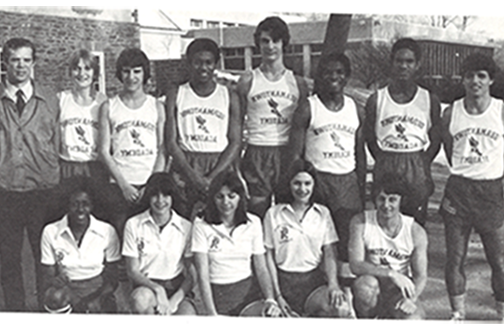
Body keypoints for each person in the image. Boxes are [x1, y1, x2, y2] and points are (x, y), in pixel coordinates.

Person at [288, 52, 365, 285]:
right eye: (328, 72)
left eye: (340, 72)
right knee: (315, 238)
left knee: (346, 241)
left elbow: (360, 154)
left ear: (347, 77)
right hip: (318, 181)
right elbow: (294, 155)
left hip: (347, 182)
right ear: (319, 76)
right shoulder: (308, 108)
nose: (334, 76)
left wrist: (360, 188)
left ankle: (346, 292)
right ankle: (317, 290)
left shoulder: (355, 109)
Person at [439, 53, 504, 320]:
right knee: (455, 258)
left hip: (491, 191)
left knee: (499, 260)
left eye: (481, 76)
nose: (475, 81)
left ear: (491, 80)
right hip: (460, 190)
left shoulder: (500, 109)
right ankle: (458, 314)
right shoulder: (451, 112)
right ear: (462, 79)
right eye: (469, 76)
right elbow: (449, 148)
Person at [0, 37, 60, 311]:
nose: (20, 66)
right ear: (5, 62)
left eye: (26, 60)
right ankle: (15, 312)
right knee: (8, 258)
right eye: (15, 59)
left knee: (44, 257)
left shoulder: (49, 99)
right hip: (6, 190)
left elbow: (57, 143)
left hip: (42, 191)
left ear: (34, 63)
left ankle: (47, 311)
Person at [363, 37, 442, 226]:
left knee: (415, 224)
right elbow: (370, 138)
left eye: (409, 61)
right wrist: (383, 159)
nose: (403, 66)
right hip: (387, 161)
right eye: (399, 61)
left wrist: (423, 161)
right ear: (392, 63)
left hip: (415, 163)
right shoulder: (377, 99)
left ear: (417, 65)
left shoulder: (429, 99)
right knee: (386, 220)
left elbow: (436, 138)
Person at [237, 16, 308, 218]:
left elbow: (302, 125)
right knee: (257, 212)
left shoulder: (297, 82)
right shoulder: (248, 80)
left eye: (275, 41)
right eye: (265, 41)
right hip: (257, 151)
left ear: (284, 43)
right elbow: (236, 124)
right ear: (257, 43)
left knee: (287, 213)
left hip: (288, 152)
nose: (270, 46)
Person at [165, 38, 241, 219]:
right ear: (189, 63)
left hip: (219, 163)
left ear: (216, 64)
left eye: (208, 62)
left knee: (217, 221)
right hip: (185, 164)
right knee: (182, 221)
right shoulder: (177, 93)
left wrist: (212, 177)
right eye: (198, 62)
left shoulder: (229, 95)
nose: (203, 68)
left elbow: (236, 141)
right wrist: (193, 176)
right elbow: (171, 141)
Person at [263, 159, 350, 317]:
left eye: (307, 183)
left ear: (314, 185)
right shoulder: (273, 214)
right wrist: (277, 296)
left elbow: (330, 251)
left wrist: (333, 284)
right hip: (283, 282)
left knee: (341, 308)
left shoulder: (323, 213)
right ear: (289, 184)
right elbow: (268, 256)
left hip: (312, 282)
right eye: (297, 183)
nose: (302, 189)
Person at [191, 171, 281, 316]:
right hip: (215, 296)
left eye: (231, 196)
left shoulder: (253, 222)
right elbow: (202, 273)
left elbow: (261, 267)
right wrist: (211, 313)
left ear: (240, 197)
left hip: (246, 296)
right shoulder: (201, 224)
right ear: (213, 198)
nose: (226, 202)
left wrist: (270, 299)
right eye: (220, 197)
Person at [98, 48, 166, 235]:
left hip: (149, 184)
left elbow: (162, 149)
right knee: (121, 240)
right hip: (120, 185)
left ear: (145, 74)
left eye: (137, 71)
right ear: (120, 73)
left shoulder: (157, 106)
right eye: (126, 71)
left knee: (149, 239)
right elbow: (103, 151)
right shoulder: (109, 106)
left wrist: (152, 185)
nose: (131, 77)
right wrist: (123, 185)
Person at [348, 173, 428, 319]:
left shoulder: (415, 231)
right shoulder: (360, 222)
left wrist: (412, 299)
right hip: (373, 284)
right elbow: (355, 264)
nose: (386, 205)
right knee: (365, 287)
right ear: (375, 200)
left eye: (392, 200)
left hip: (399, 290)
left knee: (414, 319)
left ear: (401, 200)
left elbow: (421, 275)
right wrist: (391, 274)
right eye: (381, 199)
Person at [40, 180, 121, 313]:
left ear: (93, 205)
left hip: (98, 288)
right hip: (68, 287)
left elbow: (113, 276)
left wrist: (98, 298)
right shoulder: (51, 231)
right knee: (54, 297)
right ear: (66, 205)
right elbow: (47, 275)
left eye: (85, 204)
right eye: (74, 204)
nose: (80, 209)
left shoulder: (107, 230)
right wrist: (58, 283)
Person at [122, 172, 196, 315]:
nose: (160, 201)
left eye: (166, 195)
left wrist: (174, 300)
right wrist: (158, 289)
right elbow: (132, 270)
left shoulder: (186, 226)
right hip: (147, 287)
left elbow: (192, 274)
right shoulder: (133, 224)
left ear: (173, 197)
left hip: (176, 288)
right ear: (148, 197)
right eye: (155, 195)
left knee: (188, 316)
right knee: (140, 300)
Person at [58, 49, 108, 219]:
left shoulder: (103, 102)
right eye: (77, 68)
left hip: (95, 168)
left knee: (97, 217)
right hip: (68, 167)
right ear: (70, 72)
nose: (82, 73)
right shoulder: (61, 99)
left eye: (87, 68)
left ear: (94, 72)